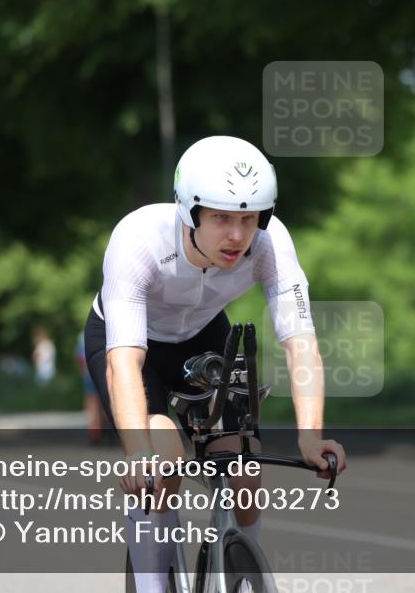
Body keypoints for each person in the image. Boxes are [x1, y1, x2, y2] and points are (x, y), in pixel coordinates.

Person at [84, 136, 346, 593]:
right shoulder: (138, 239)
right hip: (133, 346)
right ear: (190, 212)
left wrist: (310, 434)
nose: (237, 235)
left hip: (204, 337)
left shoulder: (270, 244)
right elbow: (123, 363)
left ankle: (240, 574)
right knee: (164, 464)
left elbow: (301, 344)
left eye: (249, 219)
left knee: (245, 471)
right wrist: (137, 450)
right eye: (221, 218)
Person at [77, 331, 110, 445]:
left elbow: (80, 359)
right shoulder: (109, 330)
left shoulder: (83, 335)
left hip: (89, 372)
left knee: (93, 404)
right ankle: (109, 430)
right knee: (107, 400)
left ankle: (95, 432)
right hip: (106, 371)